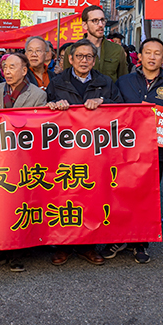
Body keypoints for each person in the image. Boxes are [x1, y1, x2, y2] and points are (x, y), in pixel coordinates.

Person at [111, 37, 163, 264]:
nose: (152, 57)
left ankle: (141, 242)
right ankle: (119, 238)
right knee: (121, 194)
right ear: (140, 56)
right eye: (148, 52)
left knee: (146, 198)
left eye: (157, 53)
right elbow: (112, 114)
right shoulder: (123, 82)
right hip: (123, 150)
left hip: (154, 153)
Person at [45, 40, 116, 266]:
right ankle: (62, 245)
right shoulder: (57, 82)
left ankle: (88, 246)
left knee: (91, 197)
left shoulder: (106, 82)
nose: (84, 60)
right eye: (80, 56)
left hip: (95, 149)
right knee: (64, 197)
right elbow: (45, 109)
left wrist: (103, 101)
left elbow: (121, 107)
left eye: (89, 57)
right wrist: (54, 105)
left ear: (94, 61)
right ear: (71, 59)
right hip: (64, 150)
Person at [0, 53, 47, 272]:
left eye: (12, 67)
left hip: (24, 157)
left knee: (20, 204)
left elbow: (39, 125)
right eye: (5, 67)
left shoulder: (38, 94)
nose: (7, 71)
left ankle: (17, 251)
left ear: (24, 71)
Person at [80, 5, 128, 80]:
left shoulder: (117, 50)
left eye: (102, 20)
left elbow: (123, 80)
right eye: (95, 21)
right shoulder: (72, 50)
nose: (100, 25)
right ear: (85, 25)